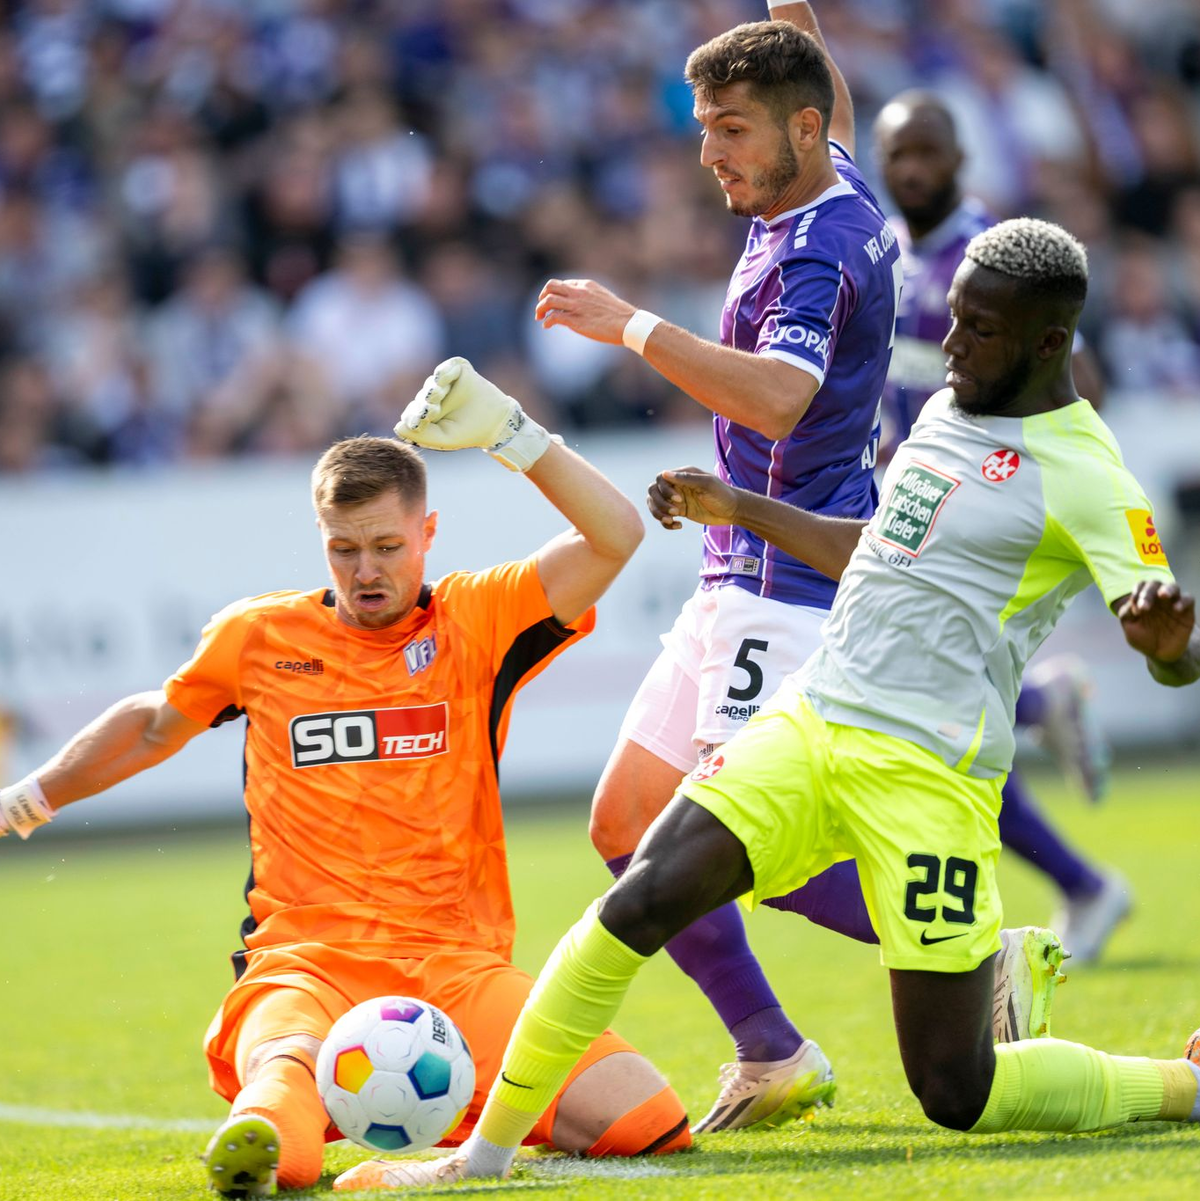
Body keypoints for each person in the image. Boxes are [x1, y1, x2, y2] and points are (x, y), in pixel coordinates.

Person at [342, 218, 1200, 1189]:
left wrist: (1171, 648)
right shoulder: (948, 411)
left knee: (956, 1088)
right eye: (956, 318)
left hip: (931, 779)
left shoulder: (1088, 474)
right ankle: (482, 1156)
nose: (952, 344)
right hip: (814, 720)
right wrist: (742, 507)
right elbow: (874, 552)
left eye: (981, 330)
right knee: (637, 898)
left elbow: (1171, 642)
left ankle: (1185, 1084)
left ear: (1050, 342)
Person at [0, 359, 692, 1195]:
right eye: (344, 549)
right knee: (284, 1076)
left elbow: (616, 535)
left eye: (388, 547)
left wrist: (513, 433)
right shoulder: (258, 637)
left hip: (457, 968)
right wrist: (28, 798)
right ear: (321, 540)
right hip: (304, 963)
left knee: (648, 1123)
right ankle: (263, 1143)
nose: (367, 571)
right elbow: (152, 724)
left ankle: (440, 1147)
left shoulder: (479, 618)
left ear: (427, 532)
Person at [532, 6, 901, 1131]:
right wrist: (793, 17)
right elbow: (828, 89)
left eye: (730, 128)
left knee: (737, 847)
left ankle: (976, 946)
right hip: (733, 572)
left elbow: (779, 397)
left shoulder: (818, 251)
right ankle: (773, 1052)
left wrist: (629, 326)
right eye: (704, 129)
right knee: (624, 826)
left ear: (795, 129)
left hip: (787, 582)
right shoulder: (826, 178)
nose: (708, 154)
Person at [873, 90, 1130, 963]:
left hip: (973, 511)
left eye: (927, 152)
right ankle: (1046, 723)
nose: (913, 169)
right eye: (898, 154)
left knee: (931, 713)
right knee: (929, 706)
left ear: (959, 158)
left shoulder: (996, 257)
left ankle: (1080, 881)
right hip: (908, 504)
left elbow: (1080, 380)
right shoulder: (892, 256)